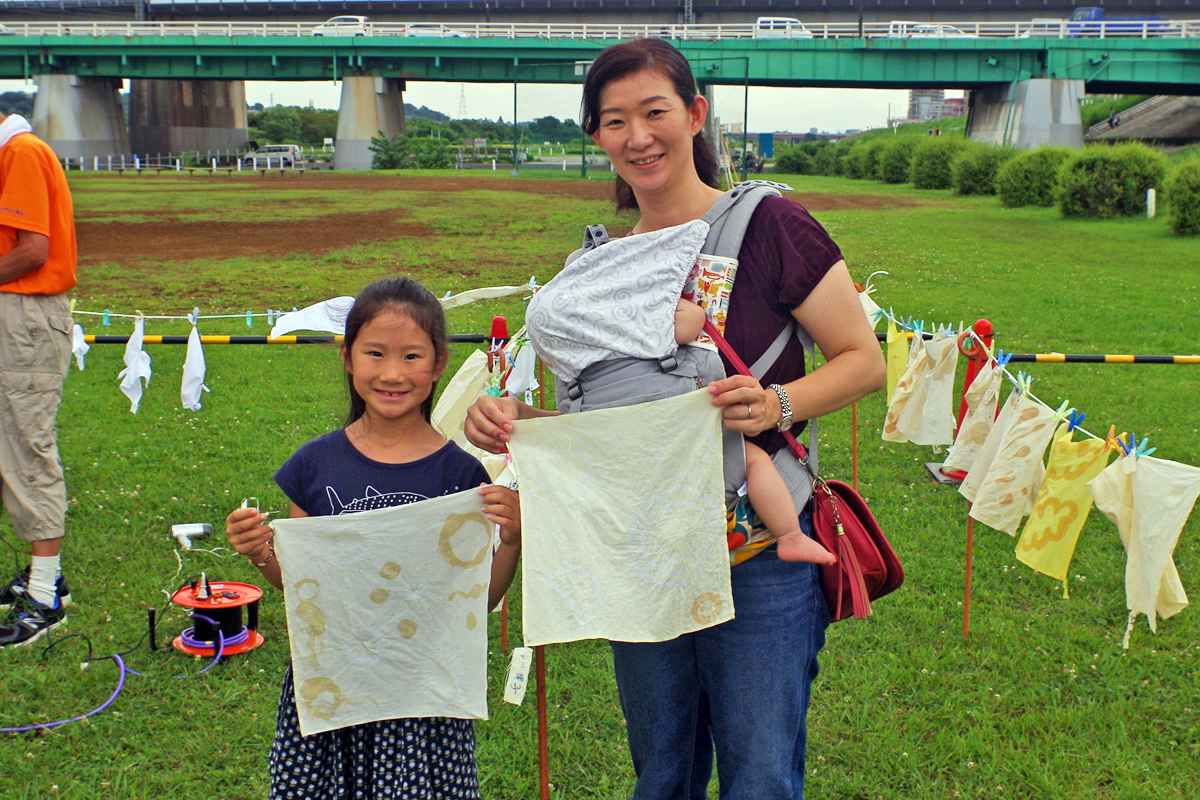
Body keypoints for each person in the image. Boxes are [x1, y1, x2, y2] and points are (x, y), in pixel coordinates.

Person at [465, 39, 884, 799]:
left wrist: (776, 403)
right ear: (596, 137)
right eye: (614, 120)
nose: (638, 137)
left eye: (655, 112)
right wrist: (514, 417)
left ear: (694, 115)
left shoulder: (770, 225)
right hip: (640, 555)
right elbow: (601, 421)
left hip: (755, 554)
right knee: (662, 775)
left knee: (759, 778)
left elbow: (863, 357)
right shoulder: (595, 268)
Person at [224, 277, 522, 799]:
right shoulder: (314, 467)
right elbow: (303, 586)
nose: (391, 373)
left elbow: (479, 600)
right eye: (375, 353)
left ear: (438, 364)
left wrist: (513, 539)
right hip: (333, 682)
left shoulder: (461, 476)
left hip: (421, 691)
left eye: (411, 356)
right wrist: (262, 552)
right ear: (347, 356)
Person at [0, 110, 77, 647]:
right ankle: (43, 578)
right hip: (16, 313)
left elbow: (33, 250)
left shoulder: (21, 151)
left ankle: (45, 596)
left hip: (26, 315)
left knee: (28, 449)